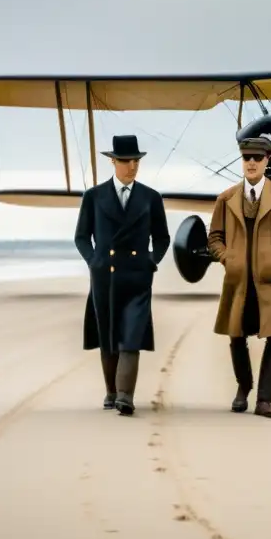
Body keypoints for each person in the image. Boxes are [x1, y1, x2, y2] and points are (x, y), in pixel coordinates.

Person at [207, 136, 271, 419]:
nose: (251, 163)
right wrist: (228, 258)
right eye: (246, 157)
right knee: (236, 335)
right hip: (238, 280)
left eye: (257, 158)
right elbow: (214, 237)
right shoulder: (225, 199)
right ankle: (243, 387)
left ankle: (264, 400)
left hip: (270, 279)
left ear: (267, 160)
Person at [75, 134, 170, 416]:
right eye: (127, 161)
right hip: (105, 275)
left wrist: (151, 262)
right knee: (108, 334)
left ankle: (125, 396)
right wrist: (94, 261)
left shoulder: (151, 197)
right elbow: (81, 237)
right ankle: (111, 392)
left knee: (132, 334)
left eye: (136, 160)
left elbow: (162, 238)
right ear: (113, 161)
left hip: (138, 276)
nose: (133, 166)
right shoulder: (93, 196)